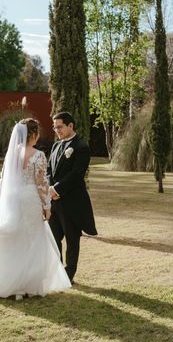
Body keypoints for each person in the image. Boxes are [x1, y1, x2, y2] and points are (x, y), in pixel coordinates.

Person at [0, 118, 71, 299]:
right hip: (29, 199)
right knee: (30, 240)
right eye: (37, 133)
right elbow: (41, 183)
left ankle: (12, 284)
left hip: (11, 200)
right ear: (33, 135)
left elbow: (5, 178)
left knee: (13, 240)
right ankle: (27, 285)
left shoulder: (12, 154)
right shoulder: (38, 155)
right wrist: (47, 206)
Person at [47, 112, 97, 284]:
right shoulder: (55, 146)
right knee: (53, 239)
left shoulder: (81, 147)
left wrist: (57, 189)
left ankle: (68, 276)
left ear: (70, 126)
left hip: (72, 202)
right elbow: (48, 170)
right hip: (54, 202)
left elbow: (77, 174)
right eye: (54, 127)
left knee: (72, 241)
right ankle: (58, 271)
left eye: (59, 127)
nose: (56, 130)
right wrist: (50, 188)